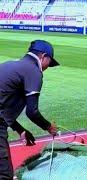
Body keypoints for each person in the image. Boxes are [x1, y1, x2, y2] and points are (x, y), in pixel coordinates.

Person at [0, 40, 59, 179]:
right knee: (4, 174)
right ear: (43, 57)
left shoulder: (9, 65)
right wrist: (48, 127)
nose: (47, 67)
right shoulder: (34, 71)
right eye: (49, 63)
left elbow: (2, 110)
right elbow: (32, 112)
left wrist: (20, 130)